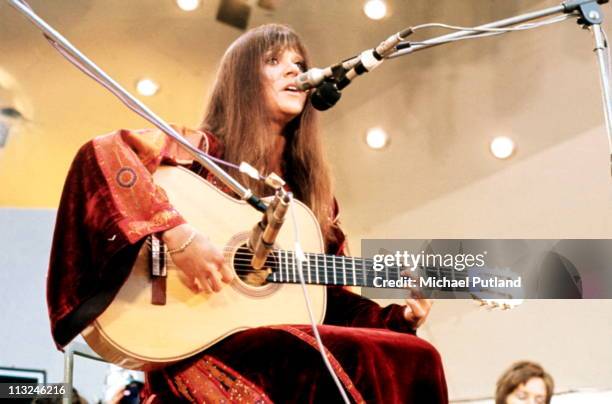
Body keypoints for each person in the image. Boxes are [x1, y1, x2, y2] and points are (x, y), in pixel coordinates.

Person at [47, 24, 448, 403]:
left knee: (417, 354)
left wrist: (397, 317)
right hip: (194, 350)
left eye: (301, 64)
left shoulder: (312, 198)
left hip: (276, 347)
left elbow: (331, 301)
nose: (295, 69)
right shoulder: (200, 151)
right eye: (274, 60)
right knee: (312, 354)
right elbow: (103, 156)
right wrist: (178, 236)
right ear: (241, 81)